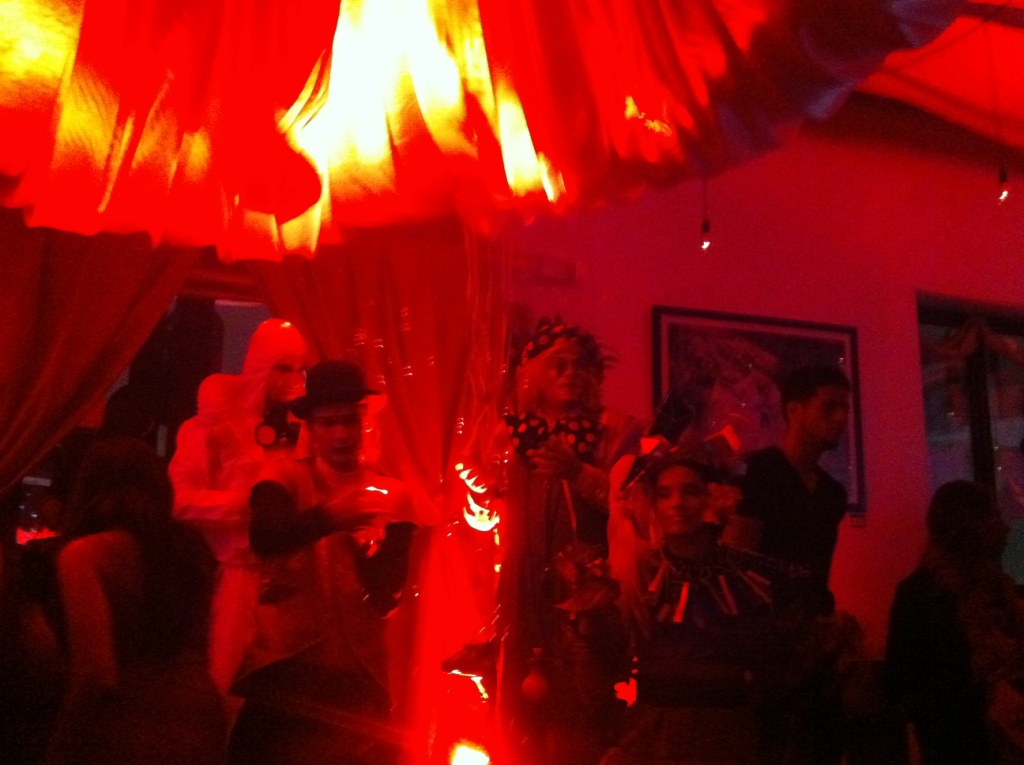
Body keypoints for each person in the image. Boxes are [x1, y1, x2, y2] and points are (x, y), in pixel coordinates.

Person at [227, 360, 416, 765]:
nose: (342, 434)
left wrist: (365, 552)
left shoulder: (392, 494)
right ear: (311, 428)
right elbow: (266, 537)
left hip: (357, 676)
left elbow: (388, 595)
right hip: (286, 668)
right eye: (329, 423)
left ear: (363, 424)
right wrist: (330, 517)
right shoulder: (281, 479)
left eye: (349, 421)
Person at [492, 319, 644, 765]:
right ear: (532, 374)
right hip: (522, 589)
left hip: (588, 591)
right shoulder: (507, 435)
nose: (571, 373)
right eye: (558, 365)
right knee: (520, 707)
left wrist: (577, 473)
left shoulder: (619, 430)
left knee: (585, 705)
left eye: (580, 365)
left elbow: (636, 503)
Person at [604, 448, 808, 765]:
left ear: (714, 498)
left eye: (691, 491)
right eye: (664, 494)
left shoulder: (749, 581)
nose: (677, 503)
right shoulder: (638, 578)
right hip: (651, 738)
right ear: (653, 504)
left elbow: (773, 671)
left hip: (725, 740)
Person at [41, 437, 225, 765]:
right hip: (201, 714)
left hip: (131, 723)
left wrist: (58, 750)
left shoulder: (86, 555)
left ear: (88, 489)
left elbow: (96, 676)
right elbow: (201, 648)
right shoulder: (191, 550)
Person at [169, 318, 307, 697]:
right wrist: (247, 506)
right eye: (282, 367)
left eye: (299, 369)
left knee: (287, 695)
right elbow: (179, 499)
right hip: (234, 577)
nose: (292, 379)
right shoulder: (212, 425)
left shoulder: (304, 430)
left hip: (294, 583)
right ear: (261, 365)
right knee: (223, 685)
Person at [885, 480, 1024, 765]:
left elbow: (897, 683)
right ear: (970, 528)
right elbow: (908, 684)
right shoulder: (923, 595)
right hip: (959, 745)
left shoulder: (999, 590)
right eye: (994, 516)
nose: (1006, 528)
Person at [734, 362, 852, 616]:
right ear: (795, 410)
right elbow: (737, 562)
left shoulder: (832, 493)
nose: (841, 418)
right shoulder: (760, 471)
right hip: (764, 624)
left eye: (845, 409)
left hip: (814, 625)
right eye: (829, 407)